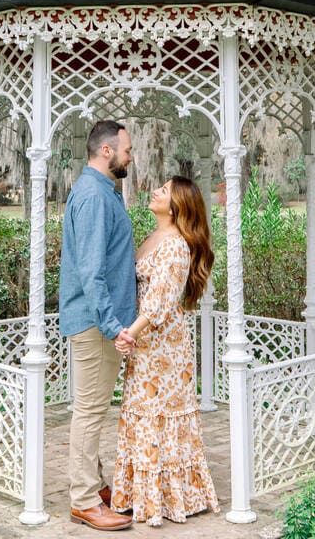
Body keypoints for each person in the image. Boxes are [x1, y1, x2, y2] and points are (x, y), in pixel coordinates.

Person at [110, 176, 220, 526]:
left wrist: (128, 334)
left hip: (163, 349)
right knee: (143, 413)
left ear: (176, 207)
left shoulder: (174, 246)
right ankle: (143, 494)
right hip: (146, 344)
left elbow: (159, 303)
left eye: (164, 190)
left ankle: (166, 499)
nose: (156, 191)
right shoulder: (154, 237)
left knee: (158, 416)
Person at [59, 120, 138, 532]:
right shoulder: (93, 196)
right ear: (106, 151)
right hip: (95, 323)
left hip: (101, 321)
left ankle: (96, 485)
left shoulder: (105, 193)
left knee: (94, 410)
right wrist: (112, 325)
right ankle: (84, 501)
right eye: (126, 149)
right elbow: (91, 271)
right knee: (89, 413)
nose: (130, 155)